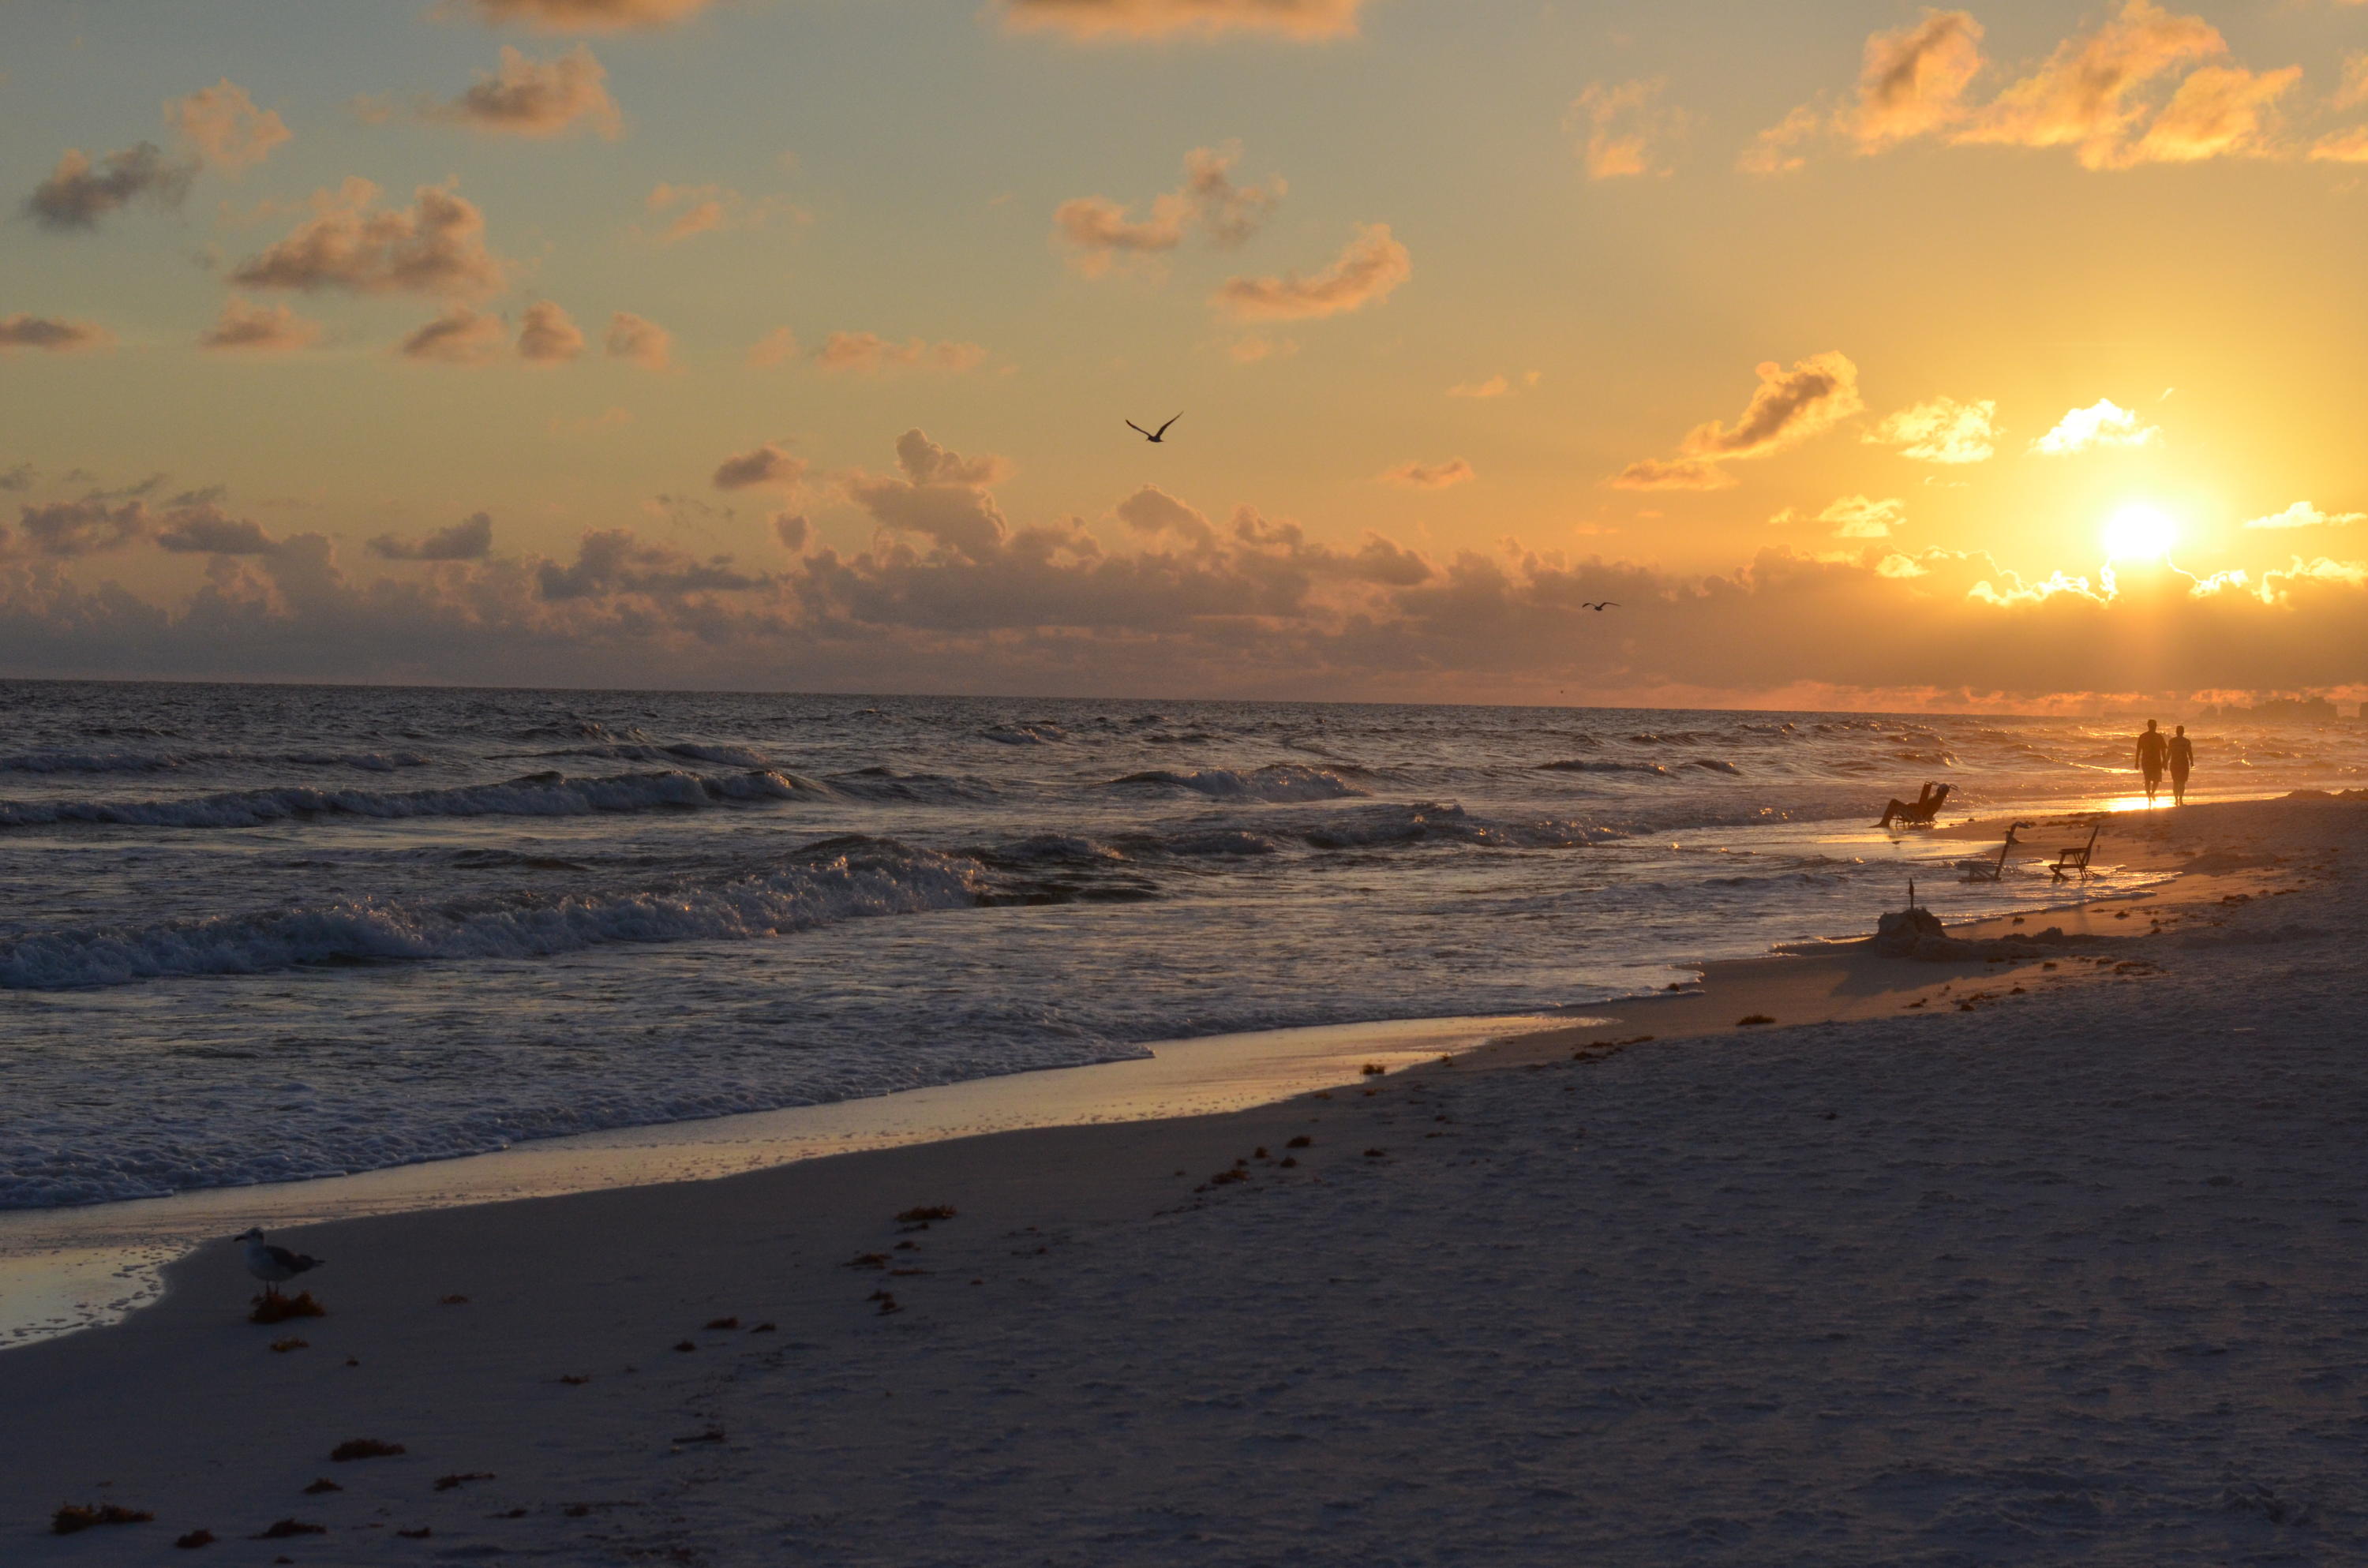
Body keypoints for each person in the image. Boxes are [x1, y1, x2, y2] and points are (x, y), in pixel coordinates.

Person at [1878, 780, 1950, 828]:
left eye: (1938, 789)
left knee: (1893, 802)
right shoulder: (1939, 800)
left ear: (1939, 790)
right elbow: (1928, 811)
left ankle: (1884, 823)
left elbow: (1928, 812)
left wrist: (1925, 816)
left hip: (1916, 815)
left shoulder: (1936, 800)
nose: (1937, 790)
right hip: (1918, 814)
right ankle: (1884, 823)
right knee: (1897, 803)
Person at [2135, 719, 2169, 804]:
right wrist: (2136, 762)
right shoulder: (2143, 736)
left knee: (2156, 780)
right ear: (2149, 726)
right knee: (2148, 780)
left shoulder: (2159, 737)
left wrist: (2165, 762)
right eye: (2153, 726)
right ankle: (2149, 797)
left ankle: (2151, 794)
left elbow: (2163, 751)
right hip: (2147, 762)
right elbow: (2138, 750)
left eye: (2155, 726)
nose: (2154, 727)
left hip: (2156, 762)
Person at [2168, 723, 2194, 806]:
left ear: (2176, 732)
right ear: (2183, 732)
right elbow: (2189, 752)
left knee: (2175, 782)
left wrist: (2165, 762)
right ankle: (2180, 799)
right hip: (2184, 763)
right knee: (2182, 782)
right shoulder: (2186, 741)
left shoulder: (2172, 741)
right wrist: (2192, 761)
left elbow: (2169, 753)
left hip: (2174, 763)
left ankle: (2176, 799)